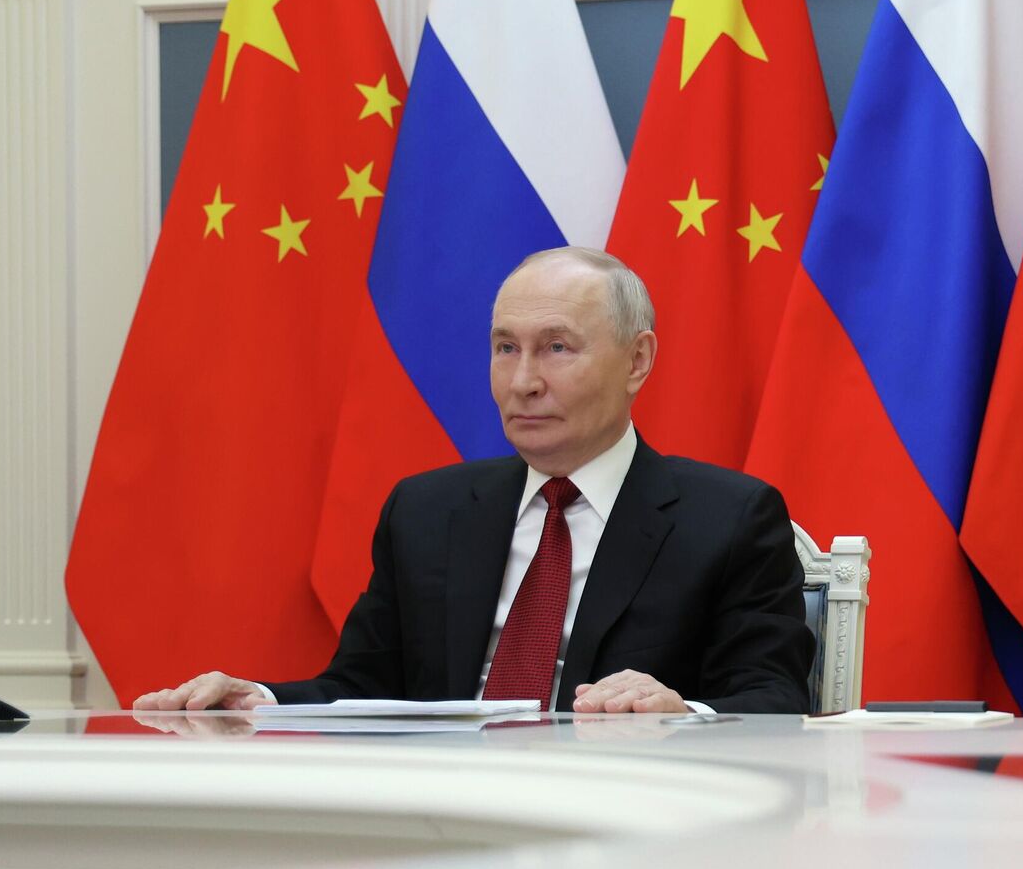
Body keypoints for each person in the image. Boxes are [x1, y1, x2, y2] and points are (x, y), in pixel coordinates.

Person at [132, 247, 813, 717]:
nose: (524, 381)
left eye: (556, 348)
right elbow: (365, 686)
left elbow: (774, 700)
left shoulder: (728, 519)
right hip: (444, 826)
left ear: (637, 361)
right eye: (505, 348)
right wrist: (260, 700)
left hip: (626, 834)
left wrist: (680, 712)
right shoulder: (427, 511)